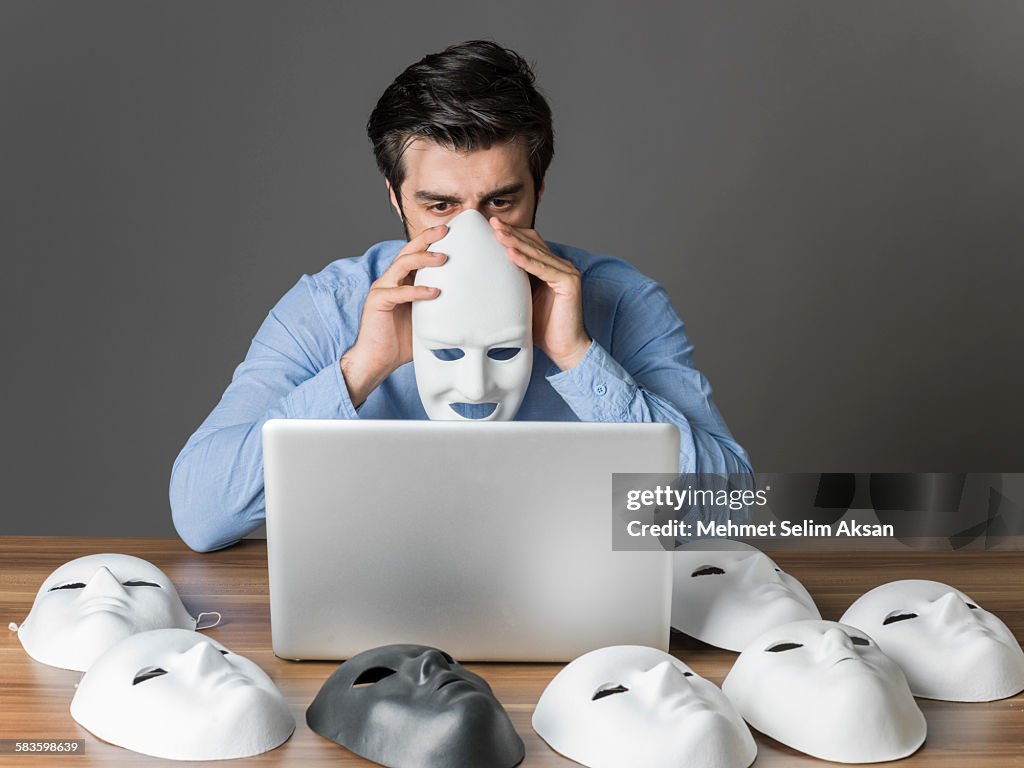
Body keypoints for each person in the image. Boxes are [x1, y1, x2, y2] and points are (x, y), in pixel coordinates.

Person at [170, 40, 752, 553]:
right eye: (440, 206)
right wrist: (361, 367)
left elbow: (731, 511)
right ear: (396, 198)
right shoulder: (332, 307)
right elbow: (202, 514)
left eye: (501, 202)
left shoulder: (621, 302)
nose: (474, 229)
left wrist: (579, 357)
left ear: (539, 190)